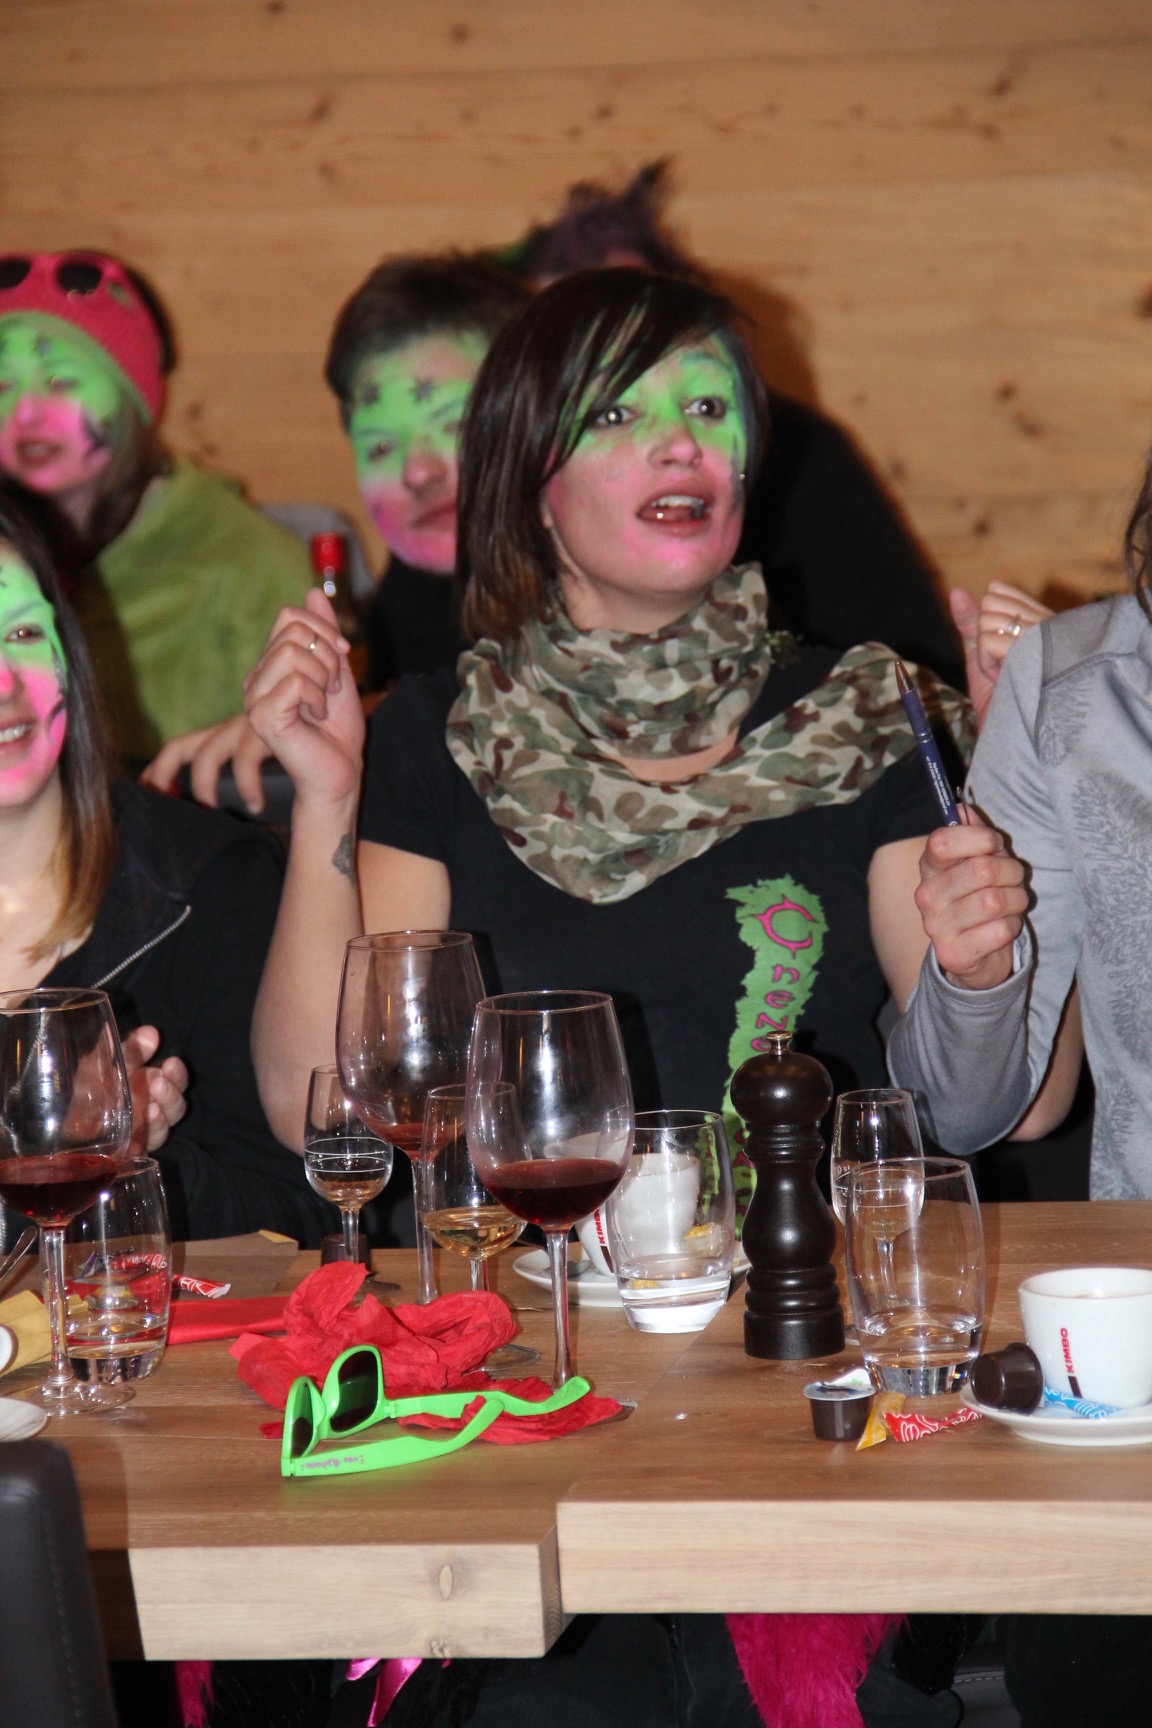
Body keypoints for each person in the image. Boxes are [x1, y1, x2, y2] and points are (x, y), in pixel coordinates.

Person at [236, 267, 983, 1725]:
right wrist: (326, 792)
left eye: (708, 408)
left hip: (805, 1359)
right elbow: (312, 1102)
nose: (682, 442)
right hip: (534, 1377)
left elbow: (995, 1093)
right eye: (622, 417)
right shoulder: (439, 735)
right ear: (530, 479)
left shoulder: (868, 710)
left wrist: (1000, 937)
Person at [0, 482, 335, 1244]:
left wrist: (132, 1168)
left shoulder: (210, 887)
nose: (5, 683)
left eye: (21, 633)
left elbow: (309, 1220)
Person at [500, 160, 964, 686]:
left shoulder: (803, 454)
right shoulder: (474, 701)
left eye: (707, 409)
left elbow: (913, 667)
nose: (677, 443)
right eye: (612, 412)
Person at [143, 251, 528, 808]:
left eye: (455, 426)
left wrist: (357, 720)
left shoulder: (620, 590)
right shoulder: (400, 613)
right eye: (381, 446)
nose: (417, 472)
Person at [0, 250, 311, 766]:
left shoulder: (246, 560)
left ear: (133, 400)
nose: (26, 412)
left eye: (61, 382)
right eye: (2, 386)